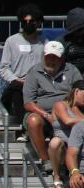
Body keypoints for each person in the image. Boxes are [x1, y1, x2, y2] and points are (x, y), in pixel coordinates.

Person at [24, 41, 81, 177]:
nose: (51, 60)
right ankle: (46, 161)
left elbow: (78, 94)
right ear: (44, 56)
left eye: (55, 57)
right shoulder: (34, 72)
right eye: (48, 57)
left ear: (61, 58)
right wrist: (46, 115)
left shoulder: (72, 70)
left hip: (66, 110)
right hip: (42, 113)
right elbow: (28, 103)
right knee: (32, 120)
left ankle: (69, 163)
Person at [2, 6, 47, 127]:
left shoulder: (44, 42)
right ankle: (23, 126)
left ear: (38, 23)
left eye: (31, 21)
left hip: (39, 83)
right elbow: (4, 67)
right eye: (24, 21)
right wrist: (16, 79)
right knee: (16, 92)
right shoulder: (11, 41)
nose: (28, 24)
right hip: (19, 82)